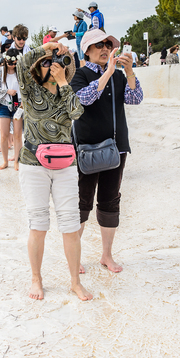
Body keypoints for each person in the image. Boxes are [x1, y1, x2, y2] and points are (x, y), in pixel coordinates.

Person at [16, 41, 93, 302]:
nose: (51, 66)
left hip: (65, 167)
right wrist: (45, 48)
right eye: (46, 63)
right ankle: (36, 278)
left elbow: (77, 112)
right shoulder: (30, 90)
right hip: (33, 165)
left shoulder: (66, 90)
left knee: (70, 225)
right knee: (38, 224)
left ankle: (75, 282)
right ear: (38, 69)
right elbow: (21, 64)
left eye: (56, 63)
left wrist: (63, 83)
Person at [71, 29, 143, 273]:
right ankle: (74, 256)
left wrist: (129, 71)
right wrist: (107, 74)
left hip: (116, 147)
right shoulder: (79, 75)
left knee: (110, 201)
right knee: (82, 202)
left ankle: (106, 255)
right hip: (86, 148)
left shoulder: (120, 76)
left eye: (107, 44)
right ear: (87, 52)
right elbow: (83, 99)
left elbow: (135, 99)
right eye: (98, 45)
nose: (104, 49)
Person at [0, 48, 23, 171]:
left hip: (18, 105)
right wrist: (6, 91)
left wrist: (23, 102)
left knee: (18, 134)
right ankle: (5, 160)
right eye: (10, 62)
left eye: (15, 63)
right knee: (3, 134)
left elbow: (27, 88)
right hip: (4, 104)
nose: (12, 65)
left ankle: (17, 160)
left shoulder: (21, 72)